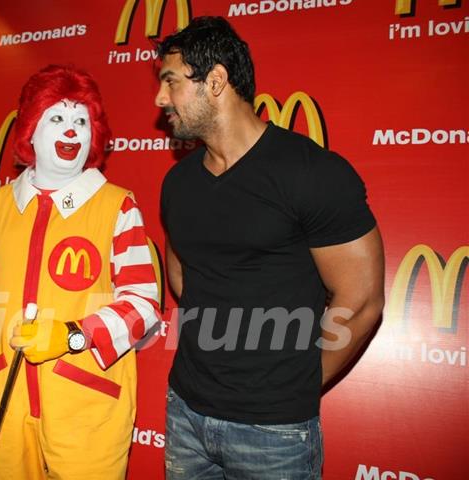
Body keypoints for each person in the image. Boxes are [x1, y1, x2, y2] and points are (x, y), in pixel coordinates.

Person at [155, 17, 385, 480]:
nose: (160, 99)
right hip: (185, 415)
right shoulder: (178, 183)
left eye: (170, 82)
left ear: (215, 81)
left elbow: (360, 303)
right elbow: (181, 275)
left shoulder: (312, 173)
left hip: (273, 433)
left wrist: (292, 385)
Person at [0, 65, 161, 479]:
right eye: (57, 118)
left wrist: (71, 334)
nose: (71, 131)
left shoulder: (116, 205)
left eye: (81, 120)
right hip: (4, 399)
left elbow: (143, 305)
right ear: (30, 130)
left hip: (85, 406)